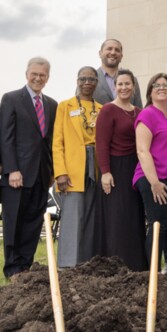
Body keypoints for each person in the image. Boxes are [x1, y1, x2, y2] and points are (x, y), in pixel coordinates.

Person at [0, 57, 57, 279]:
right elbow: (5, 137)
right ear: (27, 74)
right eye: (34, 73)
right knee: (14, 222)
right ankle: (13, 269)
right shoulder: (12, 99)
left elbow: (50, 141)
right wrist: (12, 169)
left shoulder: (52, 104)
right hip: (17, 175)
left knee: (33, 223)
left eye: (42, 75)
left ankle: (26, 267)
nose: (38, 78)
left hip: (42, 176)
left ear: (47, 78)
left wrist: (52, 171)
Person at [95, 69, 147, 271]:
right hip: (116, 168)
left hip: (137, 167)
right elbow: (101, 144)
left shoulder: (140, 112)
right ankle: (117, 264)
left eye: (128, 84)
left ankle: (137, 264)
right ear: (115, 87)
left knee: (135, 215)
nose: (124, 87)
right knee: (118, 217)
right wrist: (105, 172)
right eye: (120, 84)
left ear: (133, 86)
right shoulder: (108, 110)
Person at [53, 66, 103, 268]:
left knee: (92, 218)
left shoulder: (101, 109)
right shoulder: (65, 106)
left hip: (96, 168)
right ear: (77, 80)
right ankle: (67, 266)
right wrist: (60, 173)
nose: (87, 82)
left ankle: (86, 264)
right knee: (73, 217)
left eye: (91, 79)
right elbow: (57, 142)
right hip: (72, 169)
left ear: (96, 83)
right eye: (83, 79)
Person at [133, 73, 167, 270]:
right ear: (150, 91)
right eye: (156, 85)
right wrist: (154, 182)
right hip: (151, 177)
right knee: (158, 224)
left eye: (165, 85)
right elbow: (142, 150)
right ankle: (151, 272)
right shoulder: (147, 114)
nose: (161, 88)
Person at [94, 39, 143, 108]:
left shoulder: (132, 80)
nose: (113, 52)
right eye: (109, 49)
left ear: (121, 56)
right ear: (100, 53)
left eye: (117, 50)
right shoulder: (90, 79)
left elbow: (138, 109)